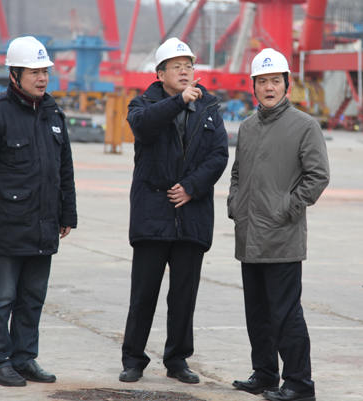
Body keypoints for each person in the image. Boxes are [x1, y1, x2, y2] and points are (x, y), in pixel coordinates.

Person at [0, 36, 77, 387]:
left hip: (43, 223)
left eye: (45, 72)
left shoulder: (53, 113)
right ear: (14, 75)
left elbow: (64, 169)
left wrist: (67, 214)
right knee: (2, 298)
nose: (42, 78)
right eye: (34, 72)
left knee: (32, 298)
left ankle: (24, 358)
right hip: (6, 224)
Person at [119, 37, 229, 384]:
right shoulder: (142, 105)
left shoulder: (209, 107)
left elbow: (219, 155)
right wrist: (179, 102)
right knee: (143, 293)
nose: (184, 72)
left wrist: (192, 187)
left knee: (184, 295)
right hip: (153, 216)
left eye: (189, 66)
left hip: (191, 216)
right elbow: (144, 127)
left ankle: (177, 359)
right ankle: (133, 359)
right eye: (176, 67)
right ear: (160, 74)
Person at [228, 48, 329, 401]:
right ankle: (265, 374)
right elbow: (237, 173)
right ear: (253, 86)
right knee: (257, 313)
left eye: (275, 81)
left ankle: (299, 383)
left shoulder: (304, 126)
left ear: (287, 84)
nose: (269, 87)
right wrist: (235, 205)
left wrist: (287, 208)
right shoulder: (248, 127)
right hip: (249, 236)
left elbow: (317, 176)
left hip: (282, 236)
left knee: (286, 314)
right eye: (262, 81)